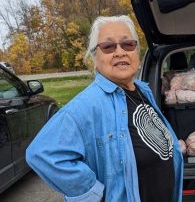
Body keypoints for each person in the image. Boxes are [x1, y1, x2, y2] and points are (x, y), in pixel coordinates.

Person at [26, 15, 184, 202]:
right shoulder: (88, 104)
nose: (120, 52)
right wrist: (94, 194)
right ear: (95, 59)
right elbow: (42, 154)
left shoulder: (142, 90)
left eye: (127, 44)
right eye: (108, 47)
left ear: (137, 53)